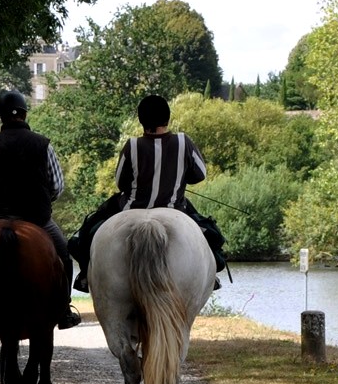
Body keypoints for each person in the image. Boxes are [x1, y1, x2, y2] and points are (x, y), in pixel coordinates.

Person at [69, 93, 229, 292]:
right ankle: (210, 276)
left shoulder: (132, 145)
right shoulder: (183, 141)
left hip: (129, 209)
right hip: (175, 208)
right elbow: (200, 174)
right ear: (167, 118)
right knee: (211, 235)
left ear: (141, 120)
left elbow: (120, 182)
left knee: (88, 234)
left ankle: (85, 275)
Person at [0, 90, 81, 330]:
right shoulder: (43, 144)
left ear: (0, 117)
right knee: (63, 253)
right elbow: (57, 186)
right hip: (37, 219)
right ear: (24, 113)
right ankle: (64, 310)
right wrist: (41, 201)